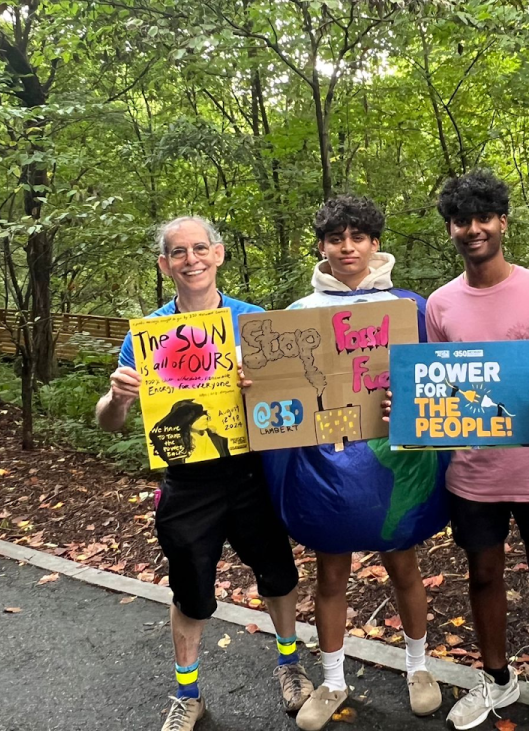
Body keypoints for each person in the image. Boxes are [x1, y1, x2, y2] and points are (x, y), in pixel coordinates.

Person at [95, 216, 313, 731]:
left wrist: (260, 388)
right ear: (164, 264)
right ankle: (187, 694)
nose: (190, 259)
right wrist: (117, 397)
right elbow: (109, 423)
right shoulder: (147, 336)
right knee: (190, 590)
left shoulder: (255, 321)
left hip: (253, 475)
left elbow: (293, 411)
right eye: (178, 252)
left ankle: (290, 666)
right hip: (187, 482)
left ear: (218, 255)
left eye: (199, 248)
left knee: (278, 576)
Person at [261, 195, 448, 731]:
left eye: (358, 237)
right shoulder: (298, 315)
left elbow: (437, 382)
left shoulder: (410, 307)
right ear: (321, 245)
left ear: (375, 243)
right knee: (331, 575)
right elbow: (279, 400)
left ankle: (418, 668)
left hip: (392, 461)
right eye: (336, 238)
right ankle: (334, 679)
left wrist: (409, 402)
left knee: (404, 565)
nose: (348, 248)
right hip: (327, 464)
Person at [419, 170, 529, 731]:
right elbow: (438, 387)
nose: (473, 229)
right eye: (461, 221)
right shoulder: (440, 305)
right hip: (473, 473)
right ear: (451, 229)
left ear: (502, 223)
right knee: (484, 575)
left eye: (483, 218)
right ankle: (495, 678)